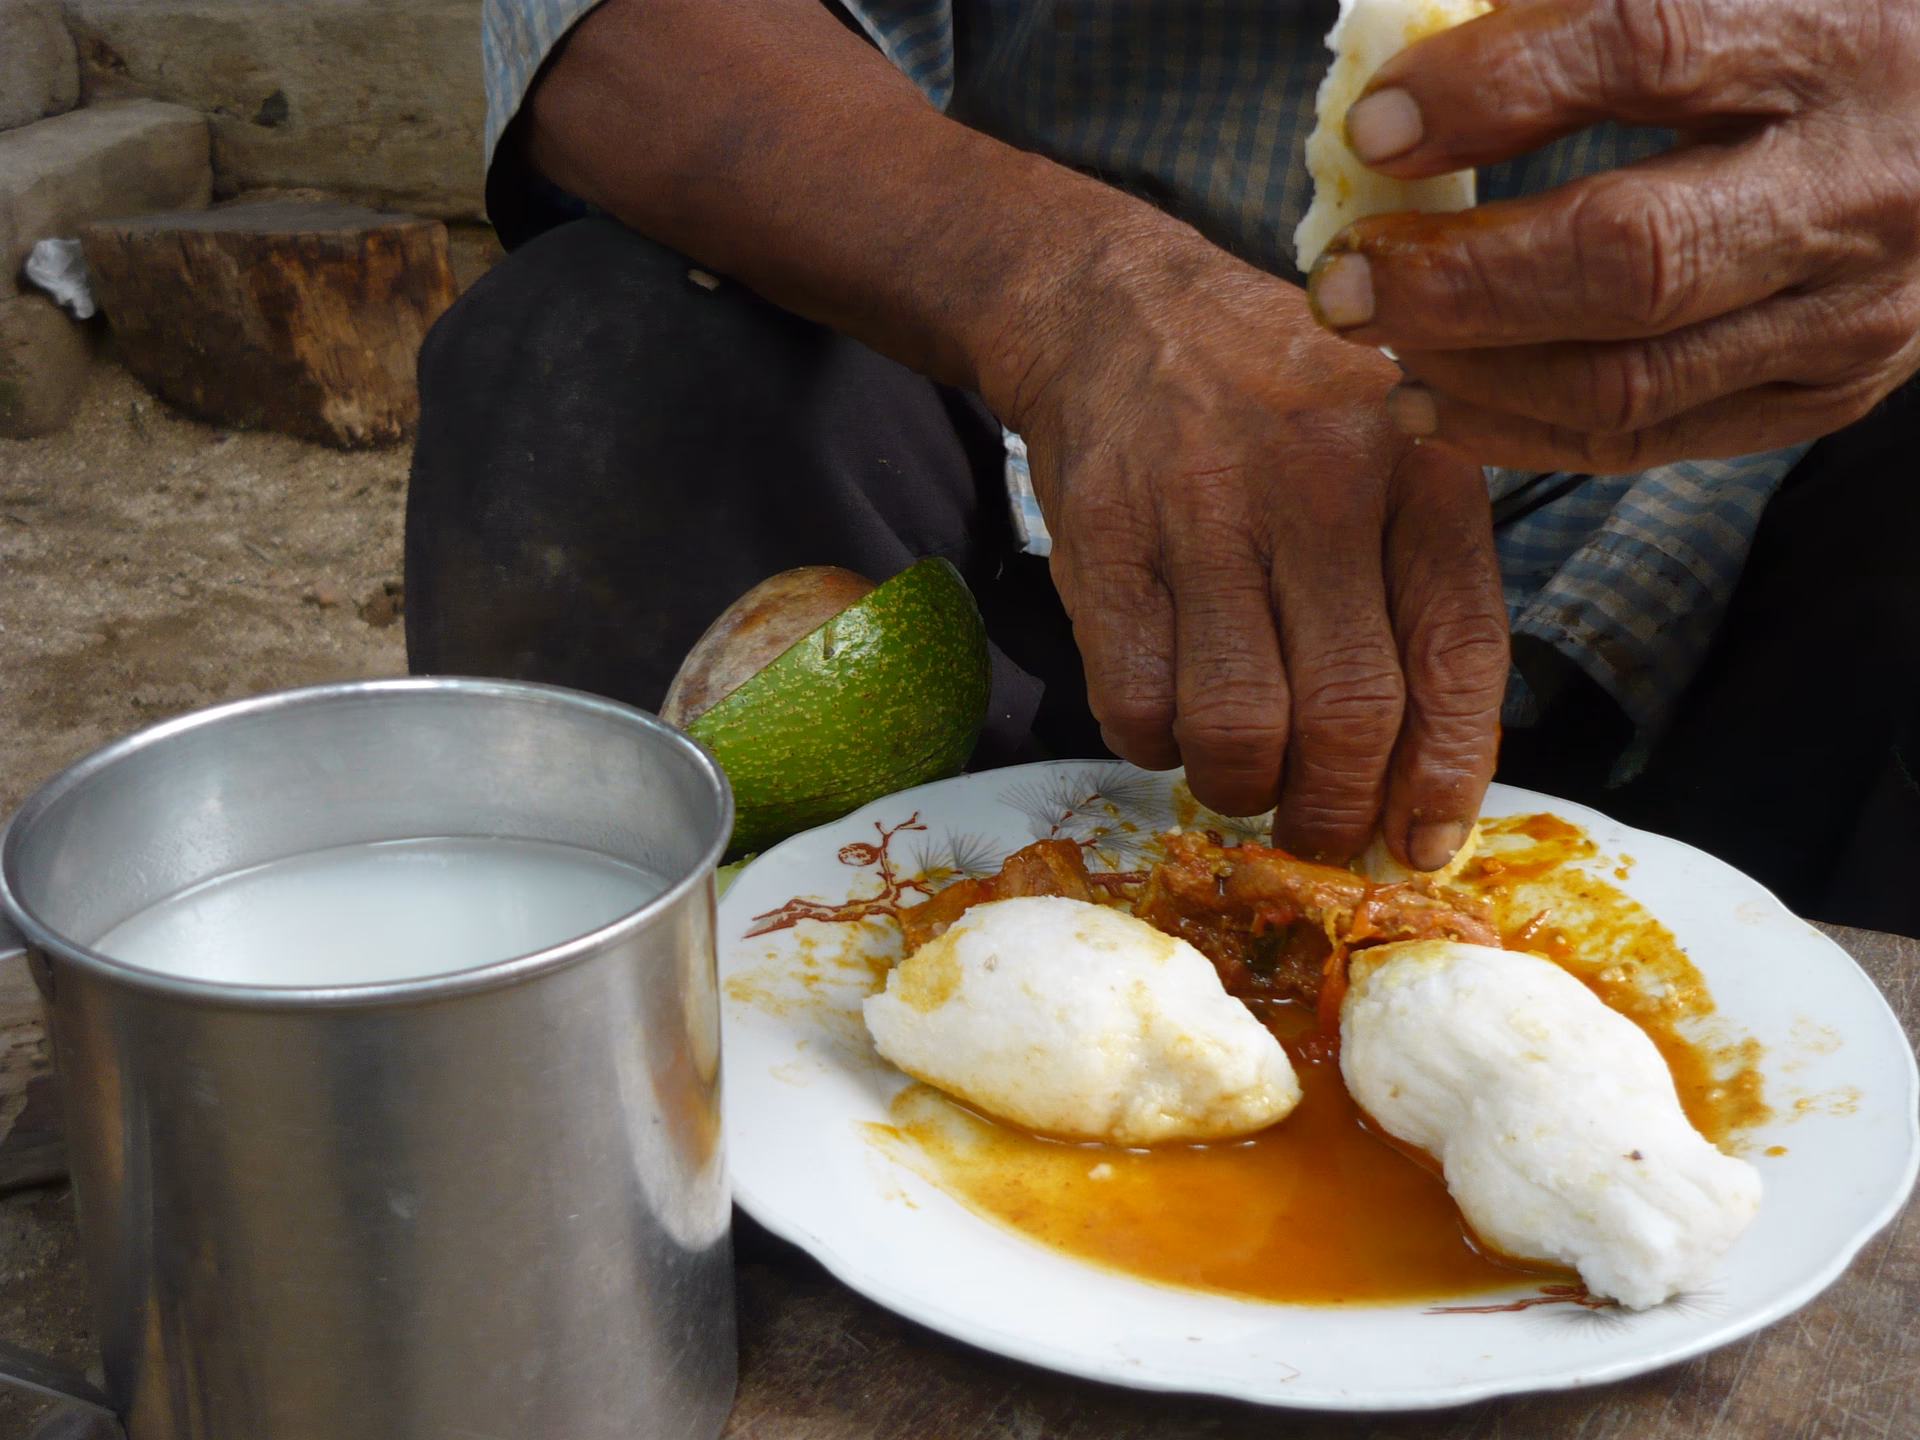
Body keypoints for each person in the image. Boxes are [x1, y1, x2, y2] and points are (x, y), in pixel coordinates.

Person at [406, 0, 1920, 936]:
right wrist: (1074, 298)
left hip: (1770, 510)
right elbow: (602, 29)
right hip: (1021, 443)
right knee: (594, 354)